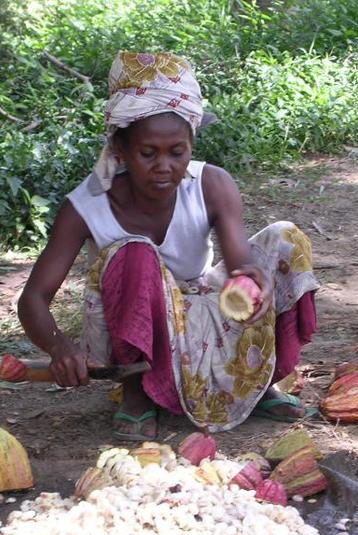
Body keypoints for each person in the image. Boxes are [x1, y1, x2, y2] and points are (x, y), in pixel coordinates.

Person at [18, 51, 320, 441]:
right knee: (134, 252)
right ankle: (136, 395)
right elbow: (33, 299)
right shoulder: (85, 206)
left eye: (177, 152)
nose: (165, 166)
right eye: (148, 154)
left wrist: (251, 277)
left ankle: (257, 383)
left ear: (191, 146)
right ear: (121, 151)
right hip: (130, 331)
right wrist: (60, 347)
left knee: (286, 237)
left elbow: (239, 260)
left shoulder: (212, 183)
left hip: (201, 313)